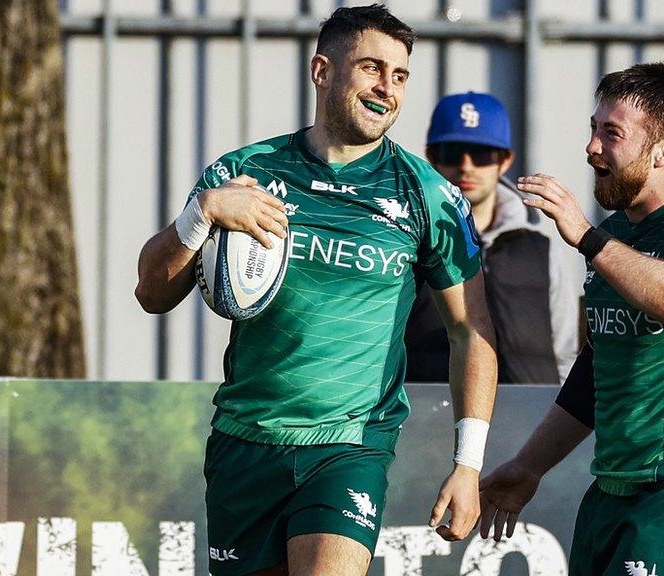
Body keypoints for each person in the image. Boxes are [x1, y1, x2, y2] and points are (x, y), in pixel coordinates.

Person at [134, 5, 498, 575]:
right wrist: (201, 214)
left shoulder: (428, 195)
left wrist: (468, 464)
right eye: (372, 68)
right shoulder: (245, 171)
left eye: (400, 76)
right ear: (322, 71)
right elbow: (151, 293)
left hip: (349, 446)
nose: (387, 89)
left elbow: (471, 332)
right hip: (245, 441)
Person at [477, 62, 664, 576]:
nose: (591, 147)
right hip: (612, 490)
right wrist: (528, 467)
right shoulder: (618, 237)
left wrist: (588, 239)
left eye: (611, 133)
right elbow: (595, 372)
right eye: (592, 129)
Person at [404, 92, 582, 384]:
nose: (466, 166)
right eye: (452, 152)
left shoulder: (540, 249)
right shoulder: (408, 243)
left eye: (482, 154)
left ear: (505, 160)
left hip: (529, 420)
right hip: (429, 419)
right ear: (432, 157)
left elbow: (564, 352)